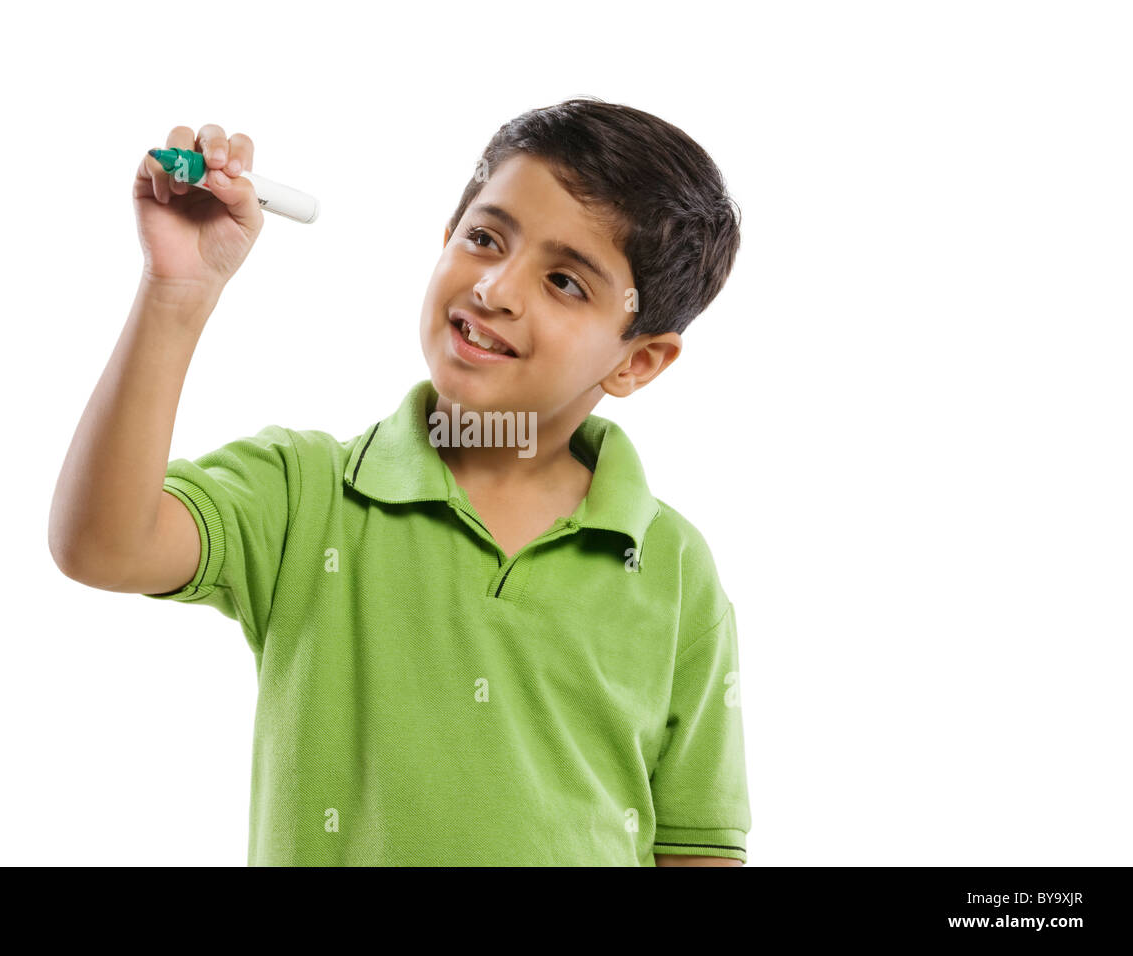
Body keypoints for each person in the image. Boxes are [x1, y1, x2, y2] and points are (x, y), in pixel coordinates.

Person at [49, 97, 751, 866]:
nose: (497, 288)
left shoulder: (674, 567)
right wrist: (176, 295)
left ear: (637, 360)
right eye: (485, 239)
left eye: (565, 282)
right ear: (446, 240)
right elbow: (102, 547)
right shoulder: (306, 493)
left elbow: (695, 844)